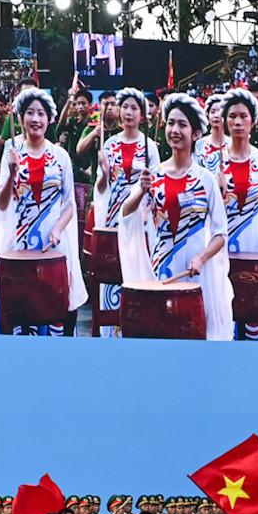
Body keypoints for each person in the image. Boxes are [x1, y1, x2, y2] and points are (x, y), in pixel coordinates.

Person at [120, 93, 234, 339]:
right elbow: (126, 213)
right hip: (161, 269)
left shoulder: (205, 179)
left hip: (197, 274)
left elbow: (220, 234)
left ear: (195, 134)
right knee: (160, 331)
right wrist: (140, 191)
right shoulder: (153, 175)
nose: (175, 130)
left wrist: (201, 258)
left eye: (182, 124)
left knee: (193, 334)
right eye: (171, 123)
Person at [0, 87, 87, 335]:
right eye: (30, 113)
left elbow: (69, 204)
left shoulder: (60, 156)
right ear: (21, 119)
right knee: (21, 309)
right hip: (19, 244)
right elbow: (1, 203)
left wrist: (57, 229)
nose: (35, 119)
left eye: (41, 113)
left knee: (52, 306)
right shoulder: (12, 153)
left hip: (52, 245)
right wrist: (11, 174)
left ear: (49, 119)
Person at [92, 88, 157, 337]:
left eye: (134, 108)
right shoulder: (110, 144)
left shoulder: (149, 147)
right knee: (112, 274)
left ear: (142, 114)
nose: (129, 112)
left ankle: (137, 330)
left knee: (136, 274)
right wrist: (104, 173)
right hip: (113, 219)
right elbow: (101, 187)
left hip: (140, 220)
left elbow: (155, 187)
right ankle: (110, 335)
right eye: (125, 107)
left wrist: (146, 211)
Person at [218, 87, 258, 340]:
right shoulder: (213, 161)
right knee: (225, 311)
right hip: (221, 246)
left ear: (253, 121)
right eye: (232, 116)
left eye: (243, 116)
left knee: (254, 311)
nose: (238, 122)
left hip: (255, 246)